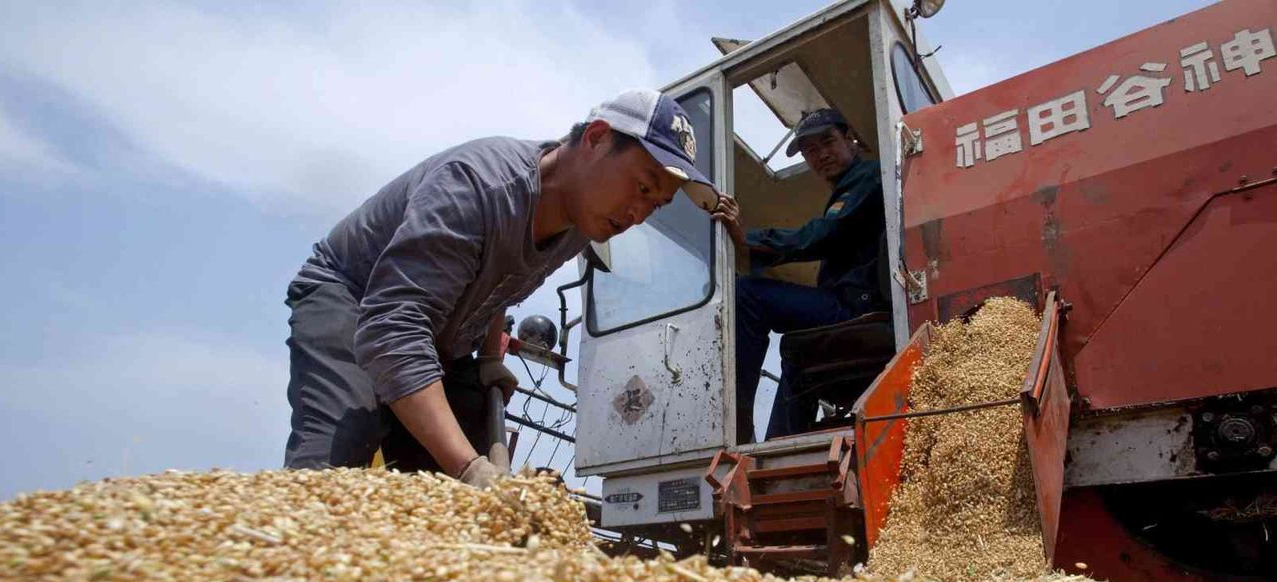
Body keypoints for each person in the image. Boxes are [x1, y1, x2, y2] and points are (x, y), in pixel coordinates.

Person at [283, 90, 717, 486]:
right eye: (642, 187)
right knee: (342, 453)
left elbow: (502, 282)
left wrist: (490, 358)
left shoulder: (581, 224)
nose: (638, 214)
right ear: (597, 138)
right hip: (353, 298)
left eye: (655, 205)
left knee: (462, 454)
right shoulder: (475, 187)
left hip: (435, 332)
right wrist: (468, 468)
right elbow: (392, 329)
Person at [711, 108, 888, 443]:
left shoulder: (868, 178)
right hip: (849, 305)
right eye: (810, 150)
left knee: (746, 293)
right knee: (796, 354)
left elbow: (823, 234)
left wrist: (748, 238)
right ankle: (778, 446)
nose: (821, 155)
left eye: (828, 142)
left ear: (849, 138)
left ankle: (734, 424)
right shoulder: (848, 188)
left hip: (857, 308)